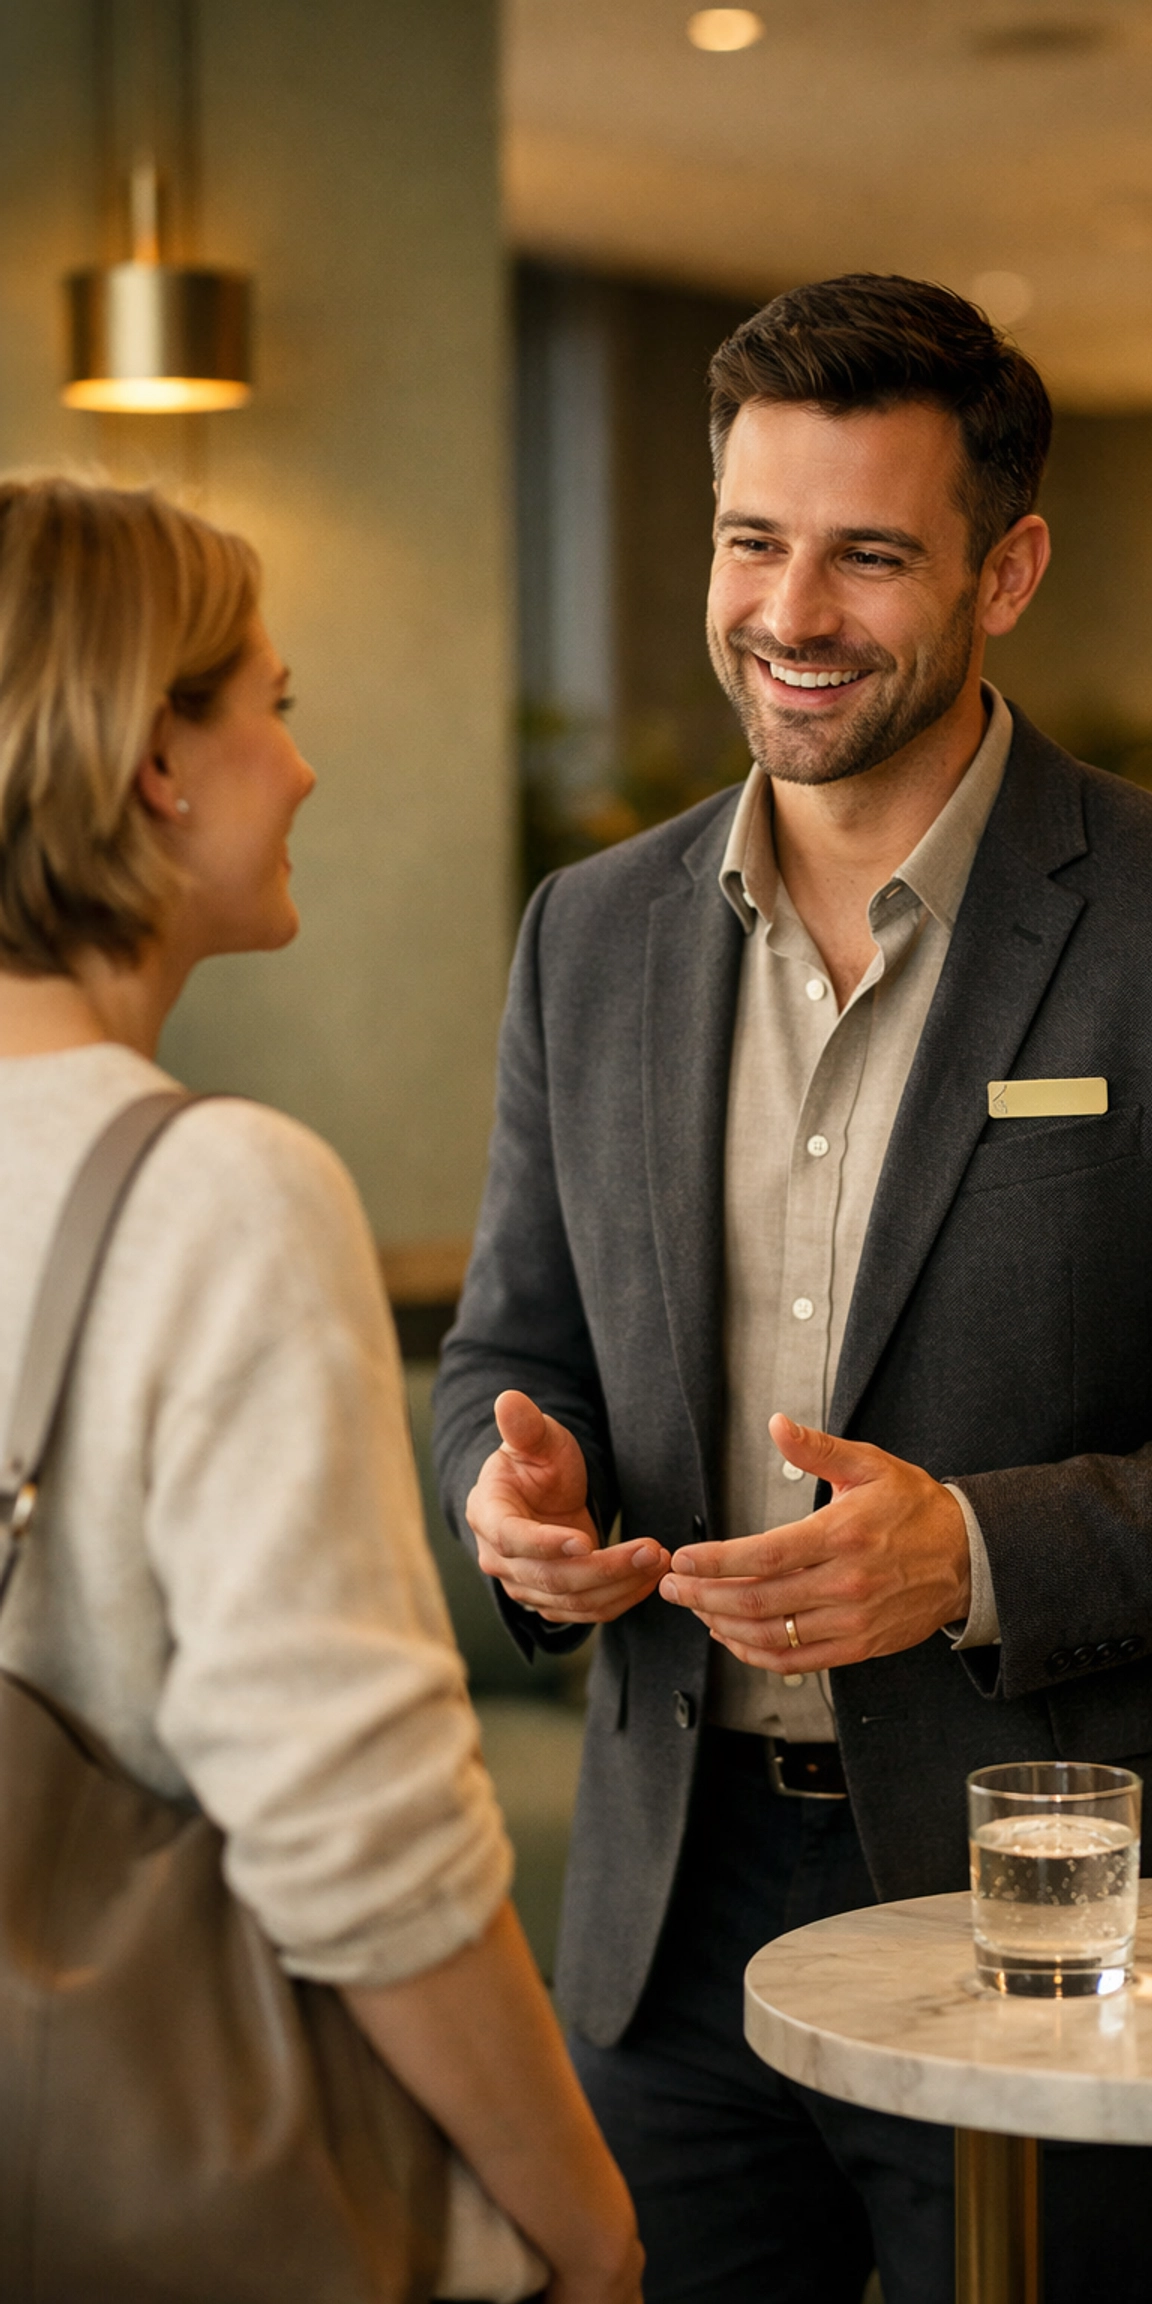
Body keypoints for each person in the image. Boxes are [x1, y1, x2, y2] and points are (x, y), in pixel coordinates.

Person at [435, 275, 1152, 2304]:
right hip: (670, 1902)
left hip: (1075, 1902)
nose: (790, 612)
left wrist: (976, 1554)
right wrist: (505, 1495)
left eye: (869, 554)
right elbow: (509, 1345)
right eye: (752, 539)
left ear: (1010, 570)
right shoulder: (594, 931)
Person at [0, 475, 643, 2304]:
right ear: (154, 766)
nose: (303, 768)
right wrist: (587, 2225)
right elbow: (361, 1842)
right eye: (272, 707)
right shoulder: (219, 1192)